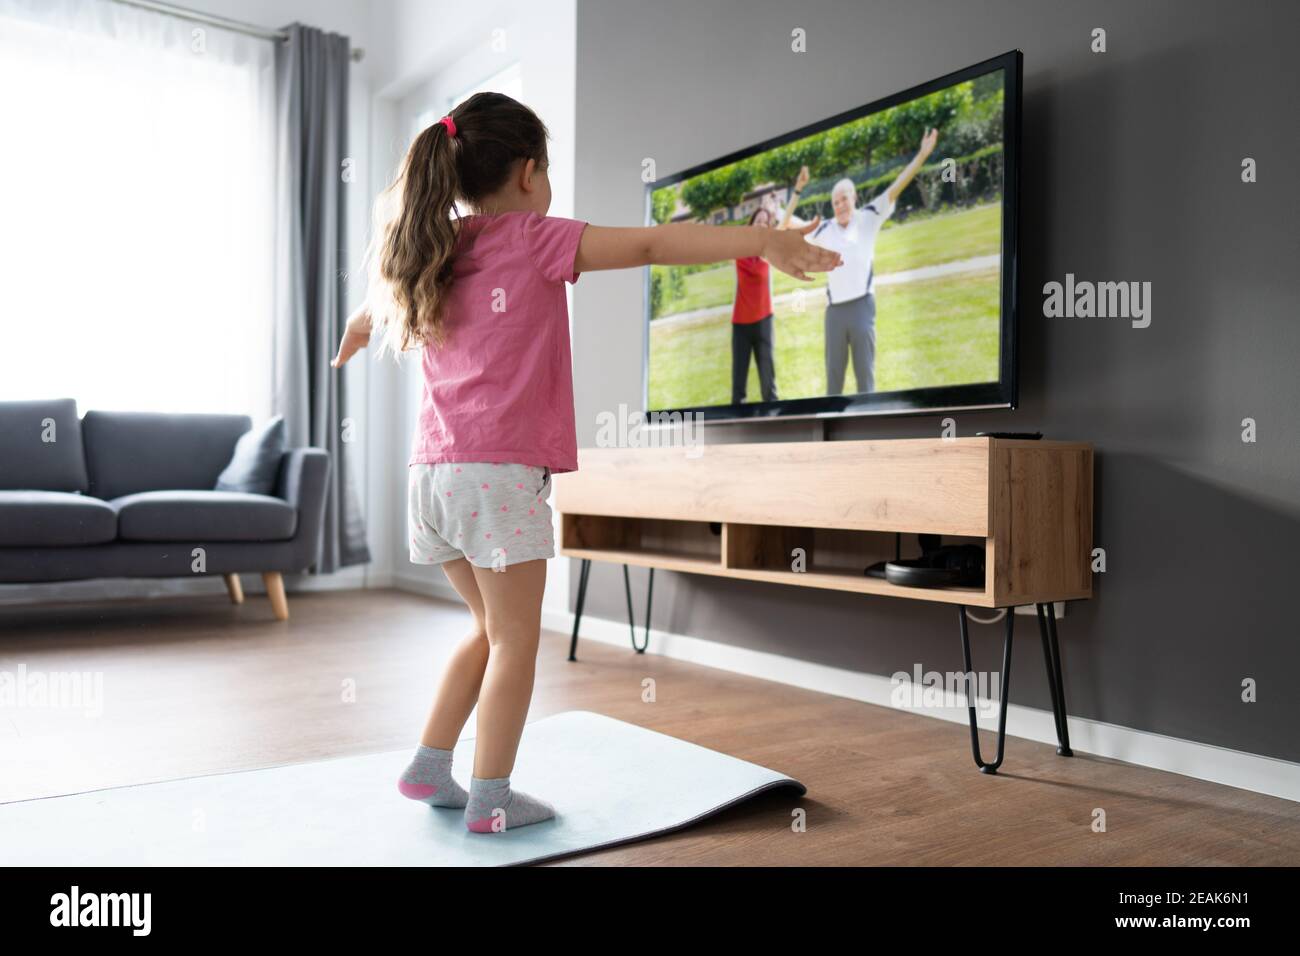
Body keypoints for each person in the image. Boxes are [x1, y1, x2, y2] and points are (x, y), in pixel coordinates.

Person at [331, 92, 841, 833]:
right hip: (497, 478)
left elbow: (372, 308)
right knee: (514, 640)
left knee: (484, 629)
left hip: (433, 478)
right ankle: (491, 798)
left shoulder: (433, 249)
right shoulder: (535, 238)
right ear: (531, 173)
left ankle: (429, 766)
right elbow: (651, 246)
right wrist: (762, 243)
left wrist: (352, 330)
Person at [807, 129, 938, 395]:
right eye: (835, 202)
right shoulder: (825, 229)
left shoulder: (869, 216)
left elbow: (897, 185)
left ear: (854, 198)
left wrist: (922, 154)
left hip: (862, 307)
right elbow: (793, 228)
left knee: (865, 376)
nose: (840, 205)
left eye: (844, 199)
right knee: (834, 379)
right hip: (835, 313)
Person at [729, 167, 810, 404]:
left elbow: (784, 222)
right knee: (738, 390)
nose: (762, 224)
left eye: (766, 222)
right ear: (750, 225)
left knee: (768, 387)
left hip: (764, 321)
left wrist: (795, 190)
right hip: (740, 326)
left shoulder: (771, 250)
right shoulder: (739, 250)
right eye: (758, 220)